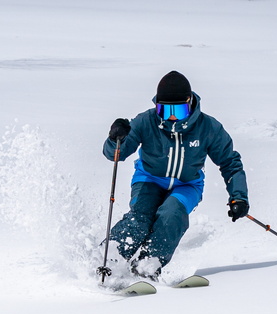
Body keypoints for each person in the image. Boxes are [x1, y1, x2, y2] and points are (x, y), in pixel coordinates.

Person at [103, 70, 249, 279]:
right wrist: (115, 139)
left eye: (178, 110)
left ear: (189, 103)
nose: (171, 116)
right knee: (140, 217)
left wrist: (239, 196)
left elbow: (230, 162)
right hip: (149, 179)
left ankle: (146, 266)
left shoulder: (208, 128)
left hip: (187, 185)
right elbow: (115, 155)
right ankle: (109, 260)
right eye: (165, 109)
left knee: (171, 216)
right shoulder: (146, 122)